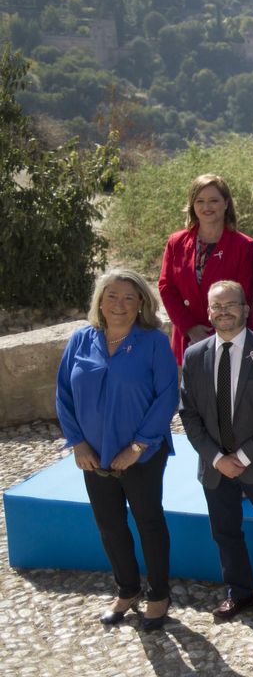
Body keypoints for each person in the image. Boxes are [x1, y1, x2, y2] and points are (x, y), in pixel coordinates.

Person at [56, 270, 179, 632]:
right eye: (111, 296)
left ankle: (159, 594)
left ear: (141, 302)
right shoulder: (81, 339)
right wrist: (77, 442)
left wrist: (139, 446)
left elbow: (167, 396)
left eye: (128, 297)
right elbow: (63, 393)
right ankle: (127, 590)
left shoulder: (154, 342)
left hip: (142, 453)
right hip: (93, 455)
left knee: (148, 522)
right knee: (109, 526)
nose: (119, 305)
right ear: (99, 301)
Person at [178, 280, 253, 626]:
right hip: (215, 467)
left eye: (230, 305)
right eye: (216, 306)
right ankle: (239, 592)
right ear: (208, 312)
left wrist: (244, 457)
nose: (223, 312)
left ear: (246, 309)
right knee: (225, 532)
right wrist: (217, 458)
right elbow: (188, 413)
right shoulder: (195, 355)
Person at [157, 173, 253, 365]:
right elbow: (166, 287)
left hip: (234, 337)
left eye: (214, 200)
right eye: (200, 201)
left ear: (226, 203)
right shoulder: (176, 242)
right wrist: (190, 328)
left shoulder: (244, 246)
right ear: (192, 205)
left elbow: (244, 296)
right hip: (189, 338)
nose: (207, 207)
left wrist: (215, 335)